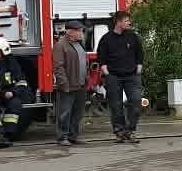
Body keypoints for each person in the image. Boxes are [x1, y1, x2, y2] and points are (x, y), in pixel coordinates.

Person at [96, 10, 143, 144]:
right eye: (126, 21)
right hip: (113, 77)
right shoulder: (106, 39)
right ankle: (120, 132)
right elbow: (101, 57)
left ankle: (131, 130)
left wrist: (139, 67)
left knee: (136, 103)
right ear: (118, 22)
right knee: (116, 106)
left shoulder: (133, 36)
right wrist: (106, 71)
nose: (129, 23)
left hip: (132, 76)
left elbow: (139, 53)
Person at [53, 20, 88, 146]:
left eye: (81, 31)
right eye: (78, 31)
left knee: (77, 112)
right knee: (65, 112)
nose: (81, 33)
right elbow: (58, 67)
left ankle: (73, 136)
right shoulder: (60, 45)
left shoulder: (79, 44)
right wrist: (64, 84)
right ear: (70, 32)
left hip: (81, 84)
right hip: (68, 85)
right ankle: (62, 137)